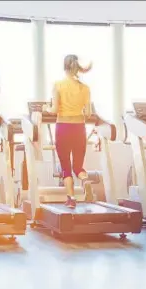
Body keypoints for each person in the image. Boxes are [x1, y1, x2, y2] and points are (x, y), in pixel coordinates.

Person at [42, 54, 93, 209]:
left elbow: (55, 109)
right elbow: (89, 113)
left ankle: (71, 199)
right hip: (79, 128)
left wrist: (46, 108)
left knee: (66, 166)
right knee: (78, 167)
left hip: (63, 127)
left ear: (64, 67)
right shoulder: (85, 88)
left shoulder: (58, 85)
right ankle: (85, 180)